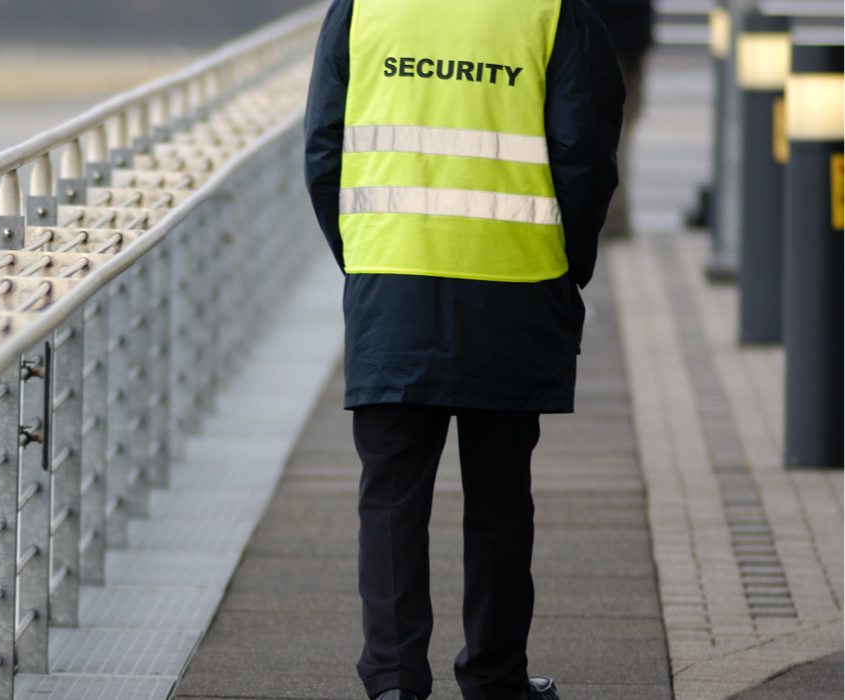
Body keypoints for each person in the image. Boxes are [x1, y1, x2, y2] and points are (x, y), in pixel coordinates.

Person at [302, 1, 624, 699]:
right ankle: (494, 676)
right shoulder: (551, 12)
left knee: (387, 497)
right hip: (514, 282)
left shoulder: (362, 9)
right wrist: (566, 265)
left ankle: (391, 680)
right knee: (502, 499)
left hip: (393, 281)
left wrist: (365, 257)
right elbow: (584, 152)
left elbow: (323, 148)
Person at [586, 0, 654, 239]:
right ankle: (613, 217)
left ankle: (610, 218)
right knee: (618, 133)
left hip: (607, 40)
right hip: (629, 40)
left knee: (608, 134)